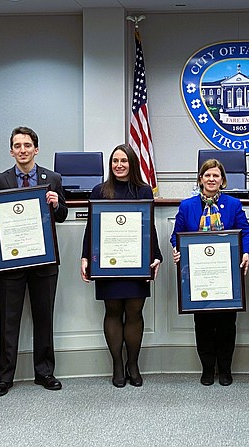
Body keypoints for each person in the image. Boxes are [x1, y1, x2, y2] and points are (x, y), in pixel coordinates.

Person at [0, 126, 68, 397]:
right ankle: (4, 377)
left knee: (44, 317)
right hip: (11, 262)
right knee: (9, 319)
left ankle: (44, 373)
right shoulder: (0, 181)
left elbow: (63, 215)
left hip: (44, 261)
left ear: (36, 148)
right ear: (11, 151)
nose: (22, 150)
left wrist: (57, 204)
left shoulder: (52, 178)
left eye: (27, 145)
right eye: (17, 146)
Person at [80, 144, 163, 388]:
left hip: (136, 264)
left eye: (123, 161)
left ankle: (133, 364)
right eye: (115, 161)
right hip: (108, 264)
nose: (119, 165)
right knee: (113, 312)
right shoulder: (99, 190)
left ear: (132, 164)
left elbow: (150, 227)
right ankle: (117, 364)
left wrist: (155, 255)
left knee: (135, 313)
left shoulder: (143, 191)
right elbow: (91, 228)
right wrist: (85, 256)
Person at [170, 159, 249, 386]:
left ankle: (225, 369)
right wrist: (177, 250)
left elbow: (246, 233)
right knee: (203, 324)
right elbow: (176, 236)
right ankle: (207, 368)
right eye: (207, 175)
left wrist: (246, 253)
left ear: (223, 180)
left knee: (227, 324)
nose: (211, 179)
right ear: (200, 179)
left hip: (227, 276)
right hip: (199, 277)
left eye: (216, 176)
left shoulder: (233, 205)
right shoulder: (187, 206)